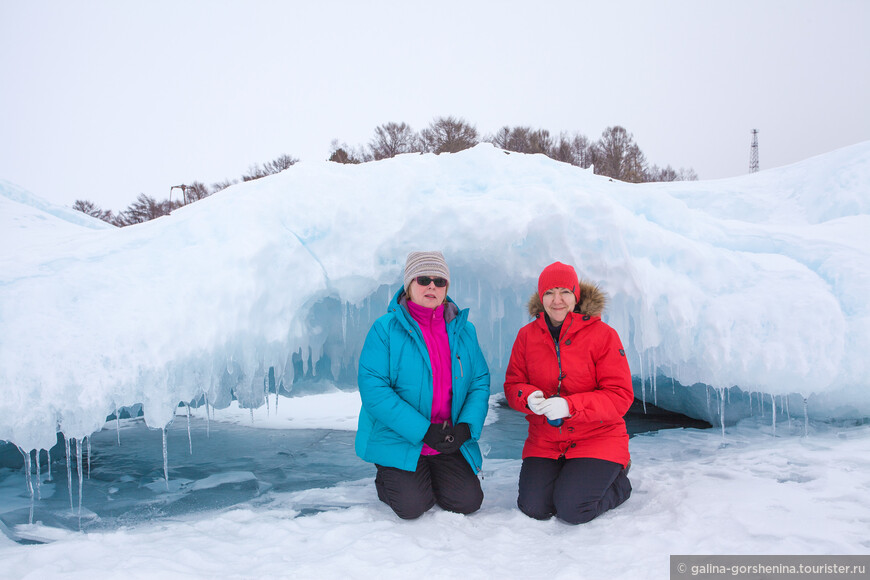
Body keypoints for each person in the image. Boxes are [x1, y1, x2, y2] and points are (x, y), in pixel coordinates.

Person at [356, 251, 490, 519]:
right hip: (400, 437)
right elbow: (374, 388)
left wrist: (465, 427)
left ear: (446, 288)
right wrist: (421, 430)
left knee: (468, 502)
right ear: (409, 284)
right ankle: (387, 478)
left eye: (439, 281)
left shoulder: (464, 330)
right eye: (423, 279)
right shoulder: (385, 329)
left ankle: (430, 473)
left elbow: (479, 380)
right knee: (412, 506)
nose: (432, 286)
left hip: (446, 438)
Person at [504, 261, 633, 524]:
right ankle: (571, 475)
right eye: (549, 292)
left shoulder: (603, 335)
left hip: (598, 437)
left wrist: (570, 407)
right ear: (541, 298)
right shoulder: (526, 336)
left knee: (574, 509)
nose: (557, 300)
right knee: (534, 507)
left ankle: (620, 481)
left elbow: (620, 395)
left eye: (564, 291)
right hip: (546, 440)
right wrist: (527, 397)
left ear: (576, 295)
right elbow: (513, 385)